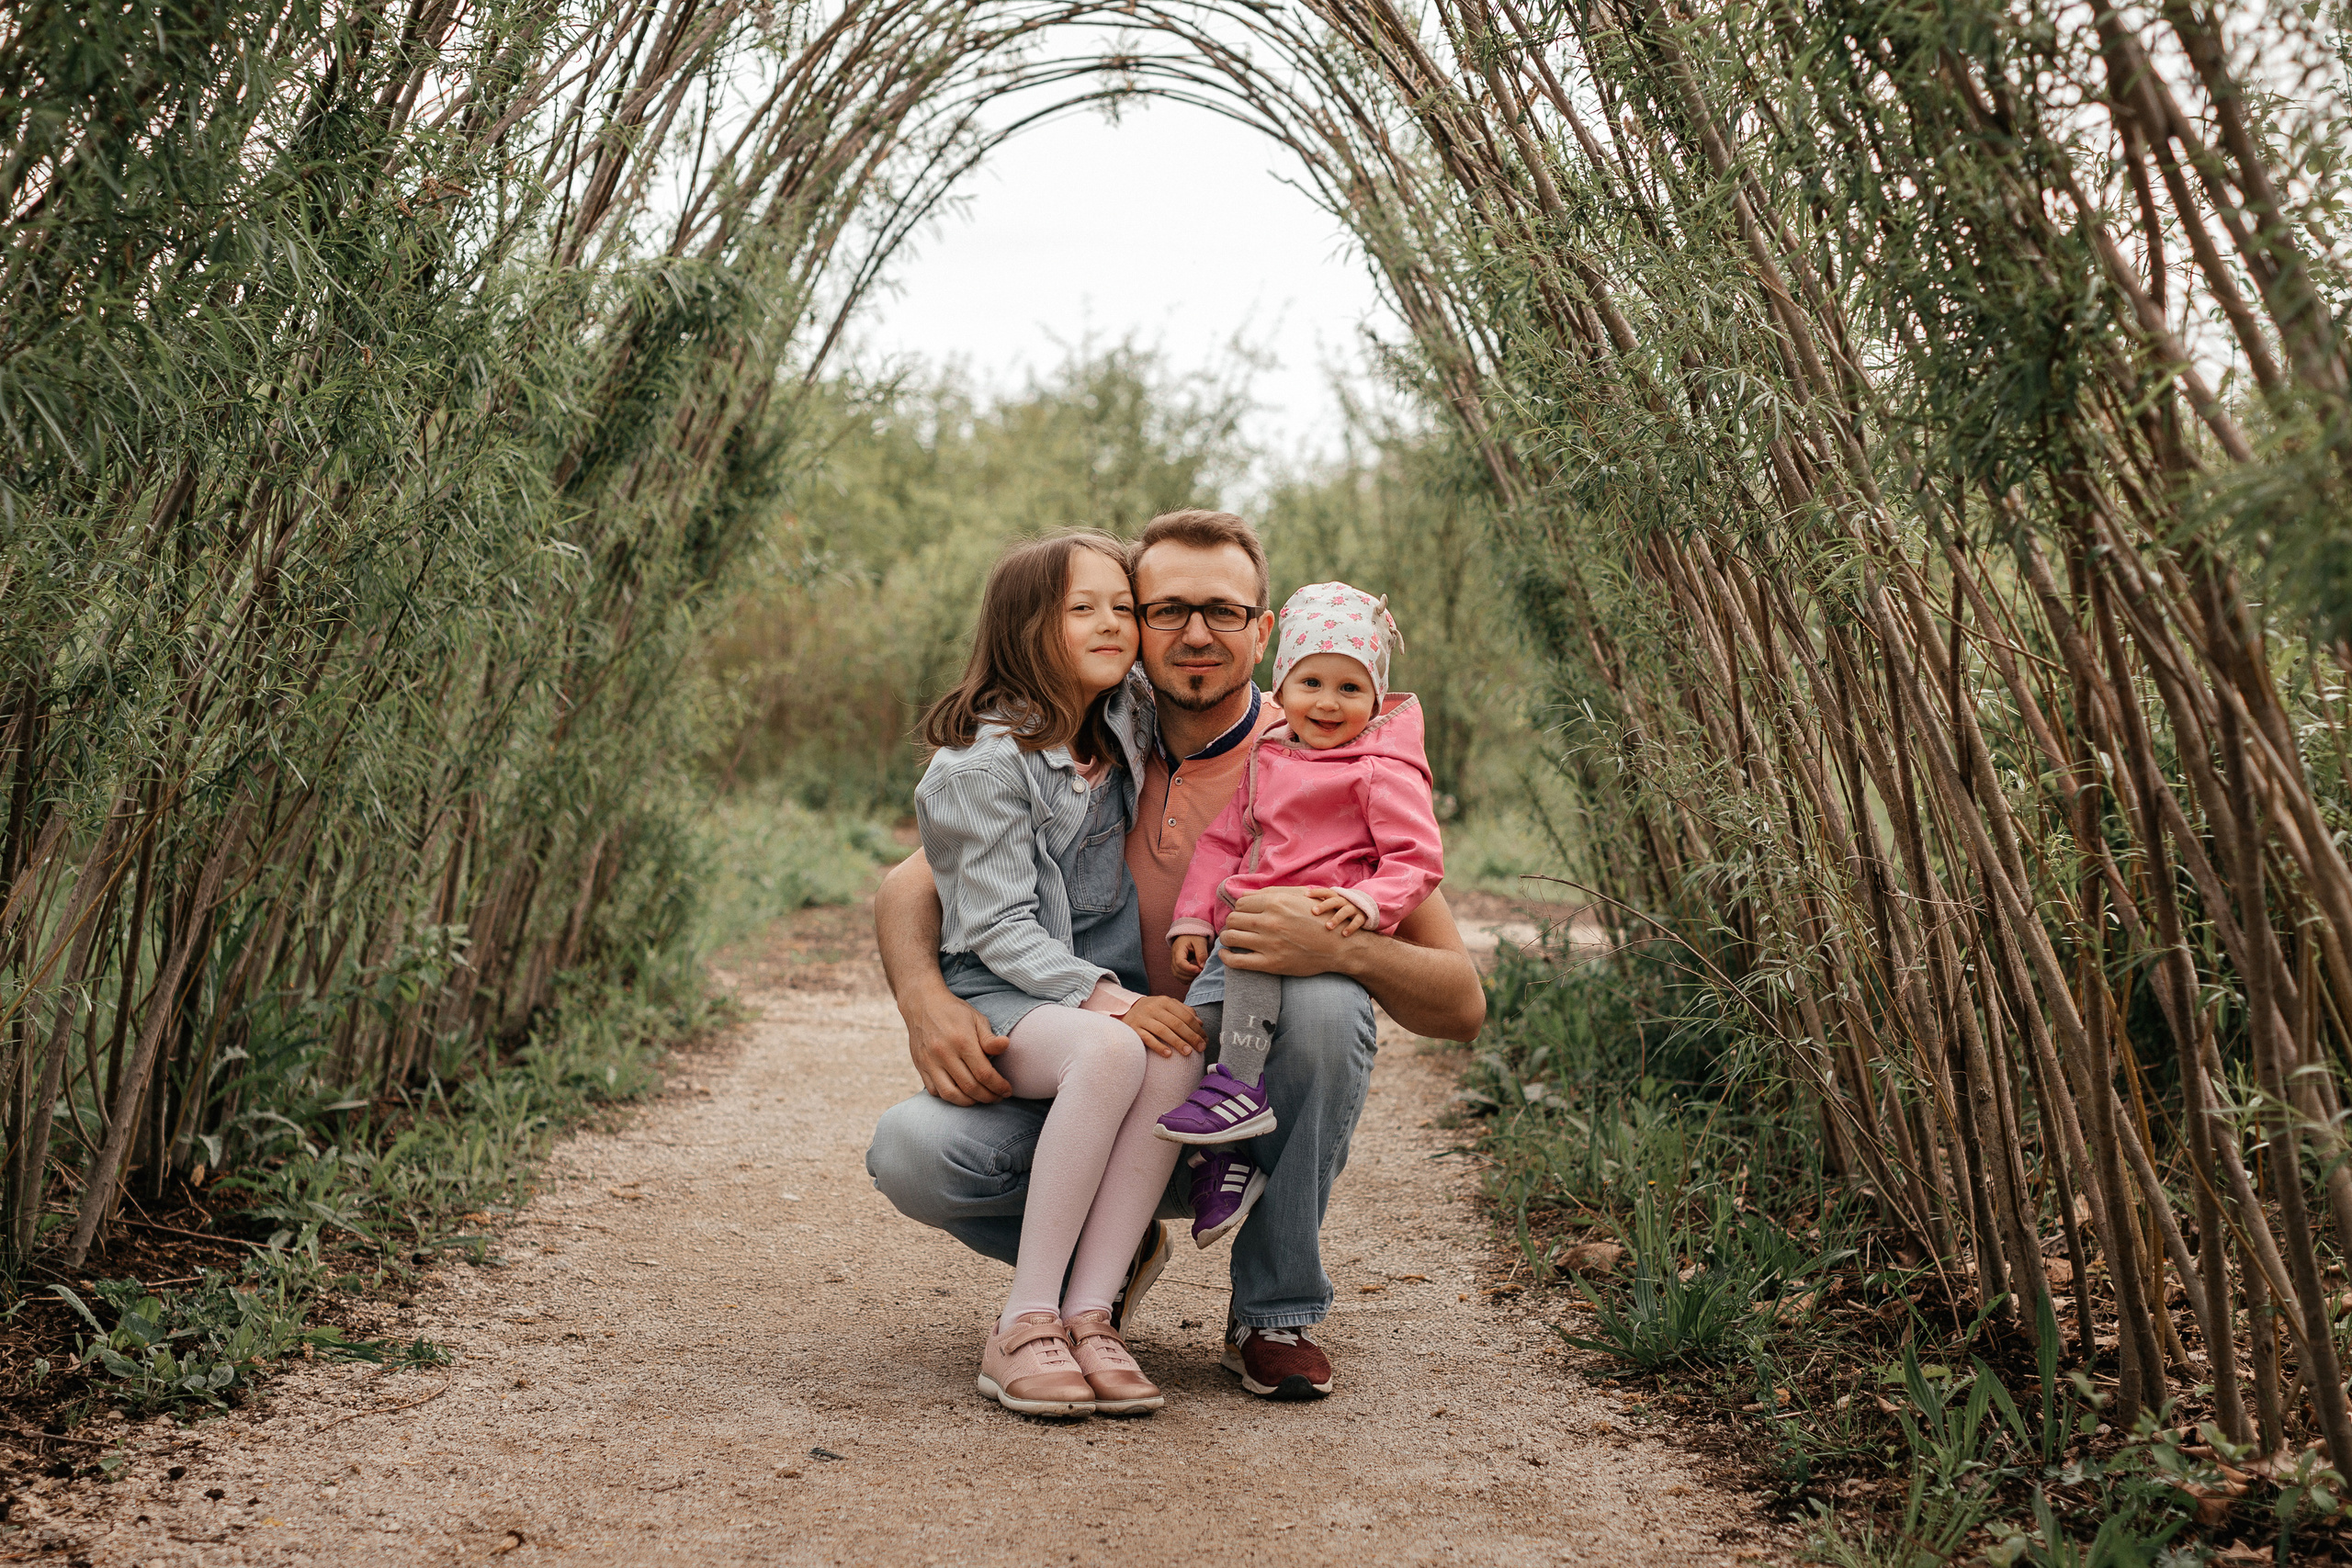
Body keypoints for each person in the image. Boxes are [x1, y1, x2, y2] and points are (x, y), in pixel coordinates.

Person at [869, 510, 1485, 1403]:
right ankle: (1097, 1267)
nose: (1194, 634)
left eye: (1223, 611)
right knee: (913, 1148)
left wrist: (1341, 948)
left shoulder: (1322, 750)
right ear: (1135, 620)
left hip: (1232, 1108)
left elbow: (1459, 1002)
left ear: (1262, 630)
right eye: (1164, 610)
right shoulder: (1091, 730)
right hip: (1099, 1080)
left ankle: (1274, 1311)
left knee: (1326, 1005)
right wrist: (927, 1002)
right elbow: (911, 883)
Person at [910, 529, 1207, 1418]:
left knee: (1177, 1056)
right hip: (1003, 996)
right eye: (1084, 609)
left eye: (1123, 606)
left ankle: (1092, 1315)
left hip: (1082, 1004)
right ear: (1024, 628)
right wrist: (1112, 1002)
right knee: (1114, 1053)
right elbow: (996, 926)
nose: (1114, 623)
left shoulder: (1122, 725)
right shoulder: (980, 766)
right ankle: (1022, 1323)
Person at [1156, 583, 1445, 1220]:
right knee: (1196, 1025)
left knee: (1255, 996)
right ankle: (1224, 1158)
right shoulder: (1269, 755)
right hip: (1241, 932)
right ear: (1281, 686)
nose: (1328, 701)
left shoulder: (1376, 769)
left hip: (1314, 921)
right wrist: (1193, 915)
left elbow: (1416, 857)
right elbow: (1224, 841)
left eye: (1350, 688)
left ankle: (1237, 1091)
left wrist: (1369, 904)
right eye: (1311, 681)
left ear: (1375, 698)